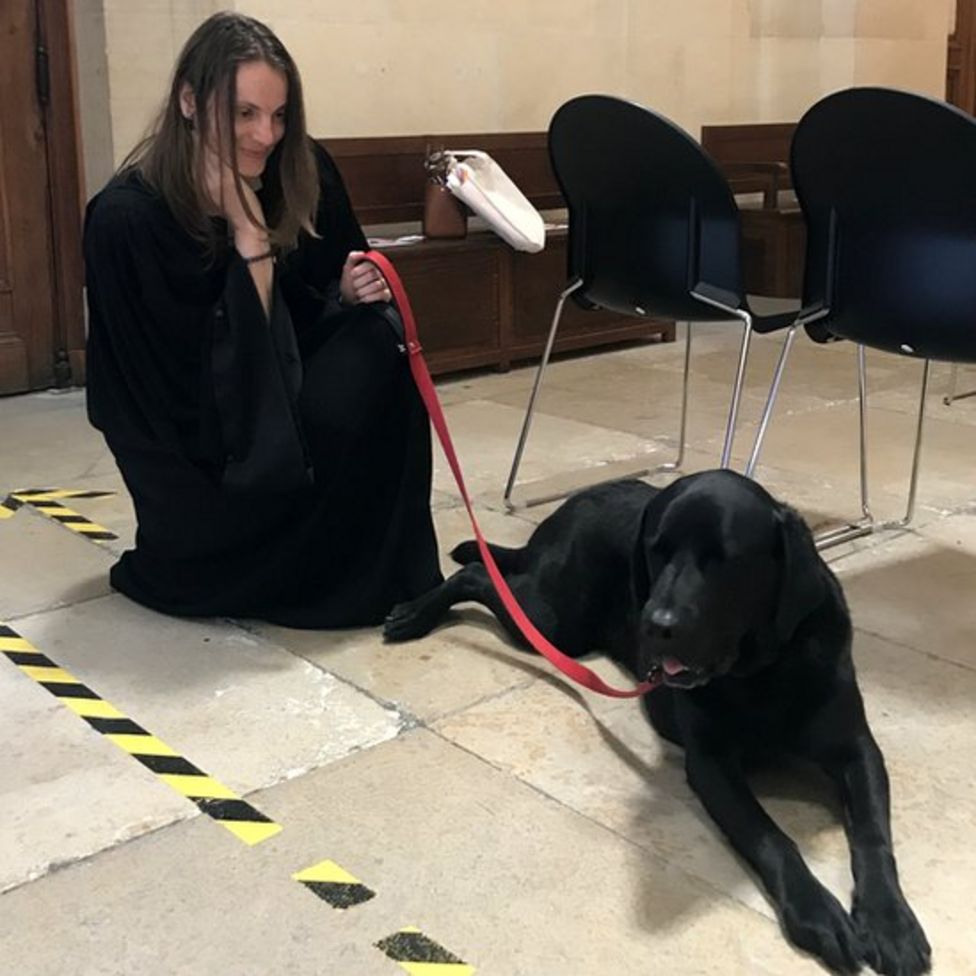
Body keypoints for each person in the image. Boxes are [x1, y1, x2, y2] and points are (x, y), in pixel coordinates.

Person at [83, 11, 443, 627]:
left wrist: (349, 292)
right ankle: (279, 562)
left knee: (381, 340)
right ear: (190, 102)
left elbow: (309, 307)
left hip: (280, 412)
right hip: (201, 461)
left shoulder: (299, 170)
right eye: (244, 114)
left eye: (278, 116)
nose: (265, 135)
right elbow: (182, 387)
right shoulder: (125, 220)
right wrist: (249, 239)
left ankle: (379, 563)